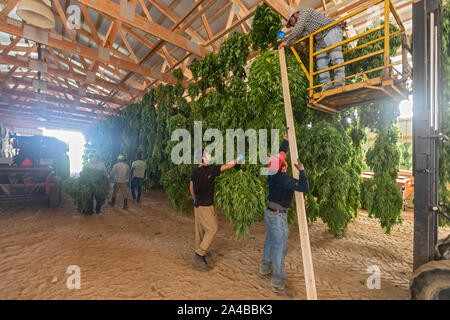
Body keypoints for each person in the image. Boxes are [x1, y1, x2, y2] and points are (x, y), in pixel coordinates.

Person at [259, 131, 309, 298]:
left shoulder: (272, 174)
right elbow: (304, 187)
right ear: (283, 167)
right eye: (284, 162)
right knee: (280, 248)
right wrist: (302, 171)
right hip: (278, 216)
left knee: (270, 241)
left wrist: (285, 140)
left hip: (269, 213)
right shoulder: (284, 179)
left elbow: (280, 155)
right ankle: (278, 285)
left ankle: (264, 268)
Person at [189, 150, 244, 271]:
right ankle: (199, 255)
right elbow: (228, 165)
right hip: (205, 206)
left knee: (200, 229)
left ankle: (201, 249)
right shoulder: (210, 170)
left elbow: (191, 187)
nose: (211, 156)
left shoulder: (195, 171)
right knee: (212, 229)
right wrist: (239, 158)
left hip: (197, 205)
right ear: (203, 158)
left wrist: (194, 200)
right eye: (208, 155)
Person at [278, 7, 345, 90]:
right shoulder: (303, 27)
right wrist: (284, 41)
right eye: (291, 25)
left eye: (291, 22)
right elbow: (297, 37)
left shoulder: (305, 12)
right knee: (321, 65)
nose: (293, 24)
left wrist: (287, 41)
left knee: (335, 56)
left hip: (330, 30)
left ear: (295, 14)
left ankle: (339, 82)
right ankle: (326, 88)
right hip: (320, 39)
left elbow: (298, 28)